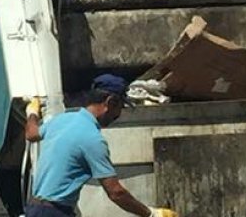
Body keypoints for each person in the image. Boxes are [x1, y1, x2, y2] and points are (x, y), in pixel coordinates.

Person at [24, 74, 178, 217]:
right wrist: (151, 213)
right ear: (110, 102)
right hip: (53, 212)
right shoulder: (92, 138)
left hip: (34, 207)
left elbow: (31, 134)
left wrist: (32, 112)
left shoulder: (62, 120)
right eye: (120, 108)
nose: (119, 114)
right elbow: (116, 192)